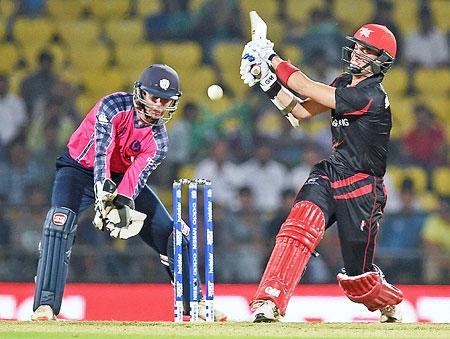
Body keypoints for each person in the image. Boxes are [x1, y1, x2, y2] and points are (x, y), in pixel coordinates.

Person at [31, 64, 226, 322]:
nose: (158, 106)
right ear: (140, 93)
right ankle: (45, 305)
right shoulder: (112, 106)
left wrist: (120, 203)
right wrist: (103, 192)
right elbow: (102, 150)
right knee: (60, 222)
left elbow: (135, 177)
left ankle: (197, 303)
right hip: (79, 169)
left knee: (173, 234)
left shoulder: (159, 140)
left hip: (120, 177)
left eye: (165, 101)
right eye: (154, 97)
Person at [240, 23, 403, 322]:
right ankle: (269, 301)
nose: (357, 53)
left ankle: (388, 301)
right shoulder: (343, 83)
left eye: (367, 50)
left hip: (364, 189)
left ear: (381, 61)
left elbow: (302, 85)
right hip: (332, 171)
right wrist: (268, 82)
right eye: (357, 46)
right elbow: (300, 111)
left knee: (357, 282)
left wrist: (271, 57)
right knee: (298, 226)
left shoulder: (371, 96)